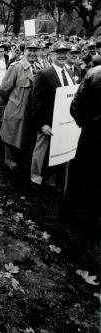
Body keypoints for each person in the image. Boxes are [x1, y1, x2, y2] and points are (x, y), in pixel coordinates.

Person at [62, 63, 101, 233]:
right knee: (82, 172)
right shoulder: (95, 74)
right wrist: (87, 125)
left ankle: (78, 213)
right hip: (92, 132)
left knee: (84, 173)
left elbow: (75, 106)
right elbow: (75, 106)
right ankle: (73, 213)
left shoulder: (94, 73)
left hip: (90, 132)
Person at [30, 42, 74, 188]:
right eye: (58, 52)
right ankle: (35, 178)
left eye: (65, 52)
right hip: (47, 121)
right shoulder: (44, 74)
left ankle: (51, 178)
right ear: (52, 54)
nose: (62, 55)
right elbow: (36, 102)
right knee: (41, 150)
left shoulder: (70, 73)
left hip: (63, 122)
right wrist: (42, 124)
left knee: (58, 152)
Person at [0, 41, 40, 175]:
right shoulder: (16, 67)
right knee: (12, 134)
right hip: (16, 108)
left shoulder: (40, 67)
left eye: (36, 50)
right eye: (30, 50)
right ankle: (9, 161)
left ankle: (21, 160)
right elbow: (5, 89)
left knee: (25, 136)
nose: (33, 53)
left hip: (31, 110)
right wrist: (12, 104)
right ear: (24, 51)